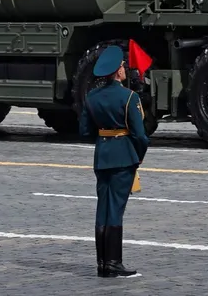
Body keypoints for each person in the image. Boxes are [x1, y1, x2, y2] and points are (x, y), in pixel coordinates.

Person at [79, 45, 150, 278]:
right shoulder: (129, 97)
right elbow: (140, 136)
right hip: (123, 158)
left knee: (103, 208)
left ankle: (102, 263)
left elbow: (84, 130)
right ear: (117, 71)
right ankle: (113, 263)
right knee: (116, 210)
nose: (125, 69)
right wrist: (138, 156)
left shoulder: (91, 97)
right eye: (122, 66)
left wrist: (104, 137)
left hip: (102, 156)